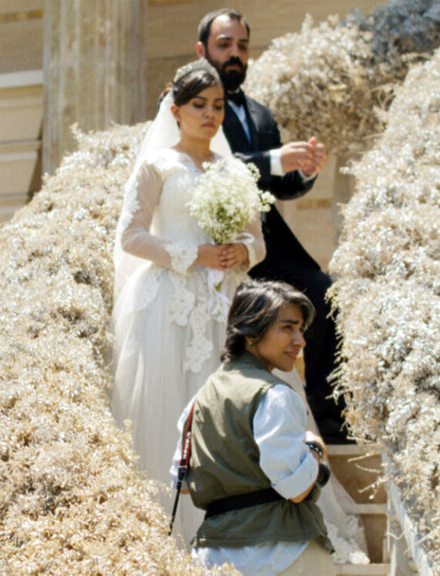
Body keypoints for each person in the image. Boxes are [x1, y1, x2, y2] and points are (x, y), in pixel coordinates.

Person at [111, 60, 266, 541]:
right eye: (199, 105)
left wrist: (241, 251)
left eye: (218, 106)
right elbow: (131, 237)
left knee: (229, 404)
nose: (210, 114)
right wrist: (194, 254)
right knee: (168, 405)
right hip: (168, 304)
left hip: (224, 303)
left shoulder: (235, 171)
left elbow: (258, 241)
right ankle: (166, 530)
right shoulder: (157, 165)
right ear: (175, 110)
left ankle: (238, 523)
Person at [196, 9, 349, 443]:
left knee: (324, 291)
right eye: (224, 45)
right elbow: (211, 162)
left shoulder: (260, 114)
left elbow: (280, 184)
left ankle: (330, 417)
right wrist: (275, 159)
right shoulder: (191, 104)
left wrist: (303, 170)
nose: (234, 54)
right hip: (210, 240)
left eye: (242, 46)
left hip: (266, 244)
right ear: (202, 50)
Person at [171, 280, 335, 576]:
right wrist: (314, 449)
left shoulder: (199, 401)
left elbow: (181, 482)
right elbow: (296, 489)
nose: (300, 340)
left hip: (213, 559)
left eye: (300, 329)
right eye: (288, 328)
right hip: (283, 555)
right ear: (250, 333)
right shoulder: (275, 396)